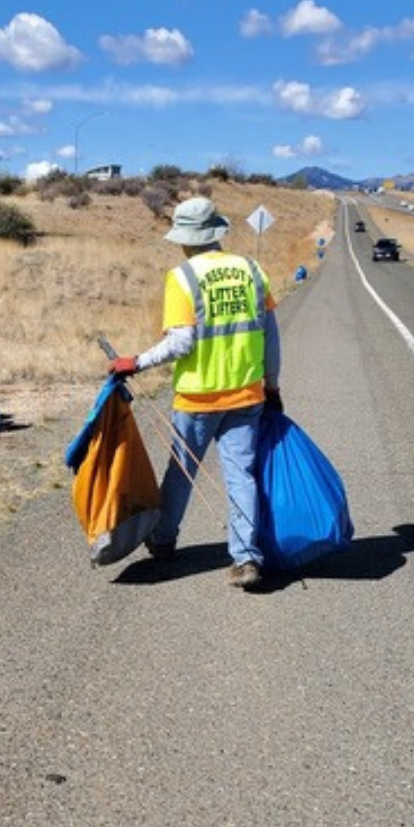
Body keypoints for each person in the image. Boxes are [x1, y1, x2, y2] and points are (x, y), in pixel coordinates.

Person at [108, 195, 282, 590]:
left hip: (199, 397)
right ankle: (246, 558)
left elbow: (181, 342)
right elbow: (270, 335)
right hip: (247, 395)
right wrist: (272, 383)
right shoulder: (252, 270)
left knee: (182, 472)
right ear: (216, 233)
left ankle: (164, 540)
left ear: (186, 238)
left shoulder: (183, 277)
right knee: (242, 475)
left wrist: (134, 362)